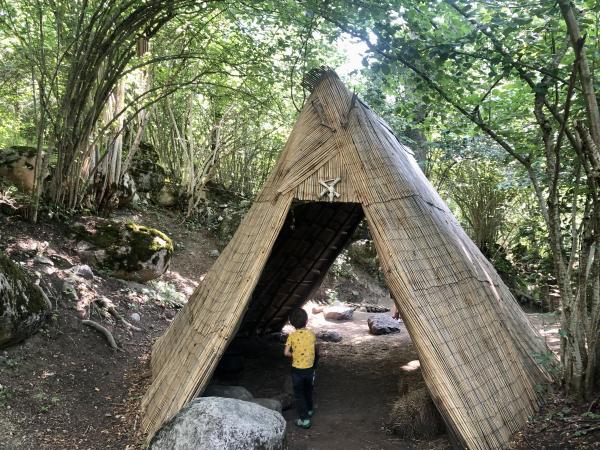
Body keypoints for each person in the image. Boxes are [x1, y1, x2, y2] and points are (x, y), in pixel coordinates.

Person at [284, 308, 318, 429]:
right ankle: (309, 409)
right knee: (308, 389)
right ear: (306, 321)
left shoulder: (292, 336)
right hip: (309, 369)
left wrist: (295, 355)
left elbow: (286, 353)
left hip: (297, 371)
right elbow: (315, 349)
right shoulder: (311, 334)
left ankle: (304, 420)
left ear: (291, 323)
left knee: (299, 394)